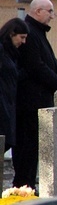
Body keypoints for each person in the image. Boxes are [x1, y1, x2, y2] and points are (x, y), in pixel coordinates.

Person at [14, 0, 57, 188]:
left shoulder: (38, 32)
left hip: (39, 101)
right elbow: (35, 65)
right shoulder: (29, 31)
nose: (53, 16)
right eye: (49, 11)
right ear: (37, 11)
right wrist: (56, 82)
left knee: (34, 147)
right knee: (27, 147)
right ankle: (23, 187)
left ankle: (28, 185)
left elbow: (50, 59)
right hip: (30, 103)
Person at [0, 18, 28, 152]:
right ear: (11, 34)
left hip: (8, 104)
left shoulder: (10, 53)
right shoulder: (2, 50)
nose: (23, 42)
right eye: (21, 37)